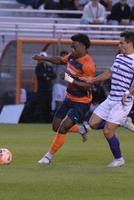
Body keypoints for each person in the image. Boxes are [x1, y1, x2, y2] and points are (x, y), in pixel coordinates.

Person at [80, 30, 134, 167]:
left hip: (123, 101)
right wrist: (92, 80)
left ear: (130, 44)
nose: (119, 45)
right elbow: (110, 72)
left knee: (108, 131)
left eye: (121, 43)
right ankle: (122, 123)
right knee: (93, 123)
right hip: (111, 98)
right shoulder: (119, 57)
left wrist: (128, 92)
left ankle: (119, 159)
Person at [33, 33, 96, 164]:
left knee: (62, 128)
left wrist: (69, 79)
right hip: (69, 98)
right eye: (71, 47)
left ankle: (48, 157)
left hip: (81, 102)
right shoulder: (72, 57)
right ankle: (81, 129)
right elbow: (60, 60)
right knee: (56, 127)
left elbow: (87, 86)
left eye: (75, 47)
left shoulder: (88, 64)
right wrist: (42, 58)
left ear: (83, 47)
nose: (72, 50)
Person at [35, 51, 56, 123]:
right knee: (41, 104)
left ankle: (48, 120)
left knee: (48, 103)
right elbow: (40, 75)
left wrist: (46, 75)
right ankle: (41, 120)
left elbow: (53, 75)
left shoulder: (49, 67)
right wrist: (46, 76)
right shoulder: (38, 67)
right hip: (41, 89)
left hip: (48, 89)